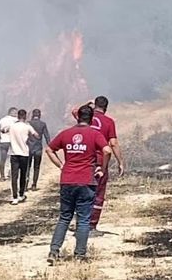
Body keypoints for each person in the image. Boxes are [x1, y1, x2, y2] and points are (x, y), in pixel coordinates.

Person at [45, 105, 110, 264]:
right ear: (92, 118)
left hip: (67, 180)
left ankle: (53, 252)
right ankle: (80, 256)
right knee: (83, 220)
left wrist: (61, 165)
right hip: (86, 181)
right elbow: (107, 150)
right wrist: (102, 168)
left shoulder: (66, 133)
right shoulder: (95, 134)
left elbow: (49, 149)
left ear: (78, 117)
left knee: (64, 217)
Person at [71, 96, 125, 236]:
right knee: (98, 193)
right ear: (106, 107)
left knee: (82, 192)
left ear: (95, 106)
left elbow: (74, 111)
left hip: (82, 159)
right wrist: (120, 162)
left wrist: (87, 104)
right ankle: (91, 226)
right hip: (99, 161)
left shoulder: (85, 116)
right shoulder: (108, 122)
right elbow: (113, 143)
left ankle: (80, 223)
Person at [7, 109, 39, 205]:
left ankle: (14, 197)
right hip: (24, 153)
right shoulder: (27, 126)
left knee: (14, 176)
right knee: (23, 175)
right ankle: (21, 194)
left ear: (17, 116)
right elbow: (37, 135)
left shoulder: (12, 126)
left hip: (14, 153)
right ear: (25, 117)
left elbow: (3, 130)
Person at [27, 108, 51, 191]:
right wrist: (51, 147)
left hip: (28, 148)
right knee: (36, 167)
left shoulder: (28, 124)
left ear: (33, 115)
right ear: (39, 115)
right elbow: (47, 136)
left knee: (27, 167)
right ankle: (34, 184)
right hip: (38, 148)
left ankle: (26, 184)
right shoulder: (42, 124)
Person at [0, 107, 18, 181]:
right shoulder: (16, 120)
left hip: (3, 141)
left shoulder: (2, 120)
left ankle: (2, 176)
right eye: (15, 113)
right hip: (12, 141)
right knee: (13, 158)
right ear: (11, 112)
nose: (16, 114)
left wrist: (0, 139)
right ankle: (11, 174)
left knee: (3, 159)